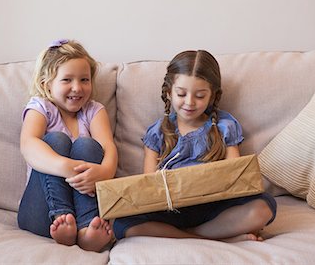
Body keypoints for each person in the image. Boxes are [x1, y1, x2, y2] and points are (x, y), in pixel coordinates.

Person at [112, 50, 277, 242]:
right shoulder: (157, 132)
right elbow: (149, 185)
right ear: (169, 93)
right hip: (171, 211)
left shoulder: (224, 126)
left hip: (216, 206)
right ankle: (217, 236)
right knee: (122, 224)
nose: (189, 102)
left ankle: (199, 235)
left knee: (264, 207)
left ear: (212, 96)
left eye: (199, 96)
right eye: (181, 94)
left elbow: (236, 176)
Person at [17, 39, 118, 252]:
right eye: (67, 80)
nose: (77, 88)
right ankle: (62, 217)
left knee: (87, 145)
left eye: (84, 79)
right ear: (47, 84)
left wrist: (104, 171)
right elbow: (28, 144)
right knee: (56, 141)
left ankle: (84, 231)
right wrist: (67, 167)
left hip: (85, 216)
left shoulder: (93, 110)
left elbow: (108, 147)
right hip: (39, 213)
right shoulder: (41, 107)